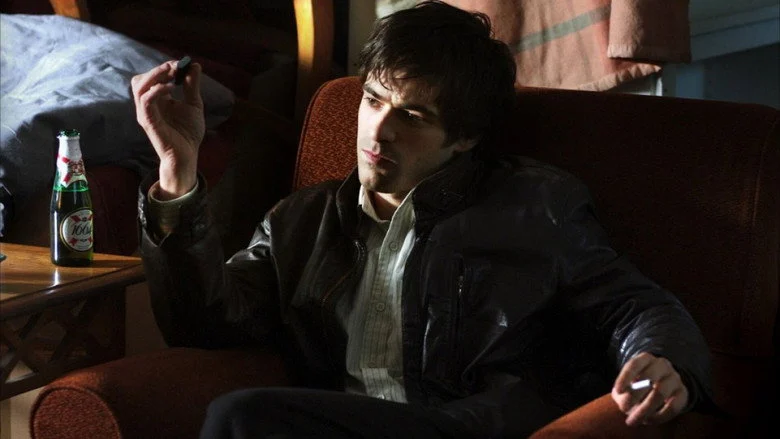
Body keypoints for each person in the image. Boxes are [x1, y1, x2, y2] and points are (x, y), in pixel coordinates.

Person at [131, 1, 714, 437]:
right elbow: (204, 324)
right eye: (373, 99)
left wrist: (665, 362)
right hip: (351, 425)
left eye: (411, 116)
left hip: (471, 425)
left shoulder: (536, 205)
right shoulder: (302, 221)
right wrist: (178, 170)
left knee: (242, 417)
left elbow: (633, 306)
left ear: (464, 138)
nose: (379, 130)